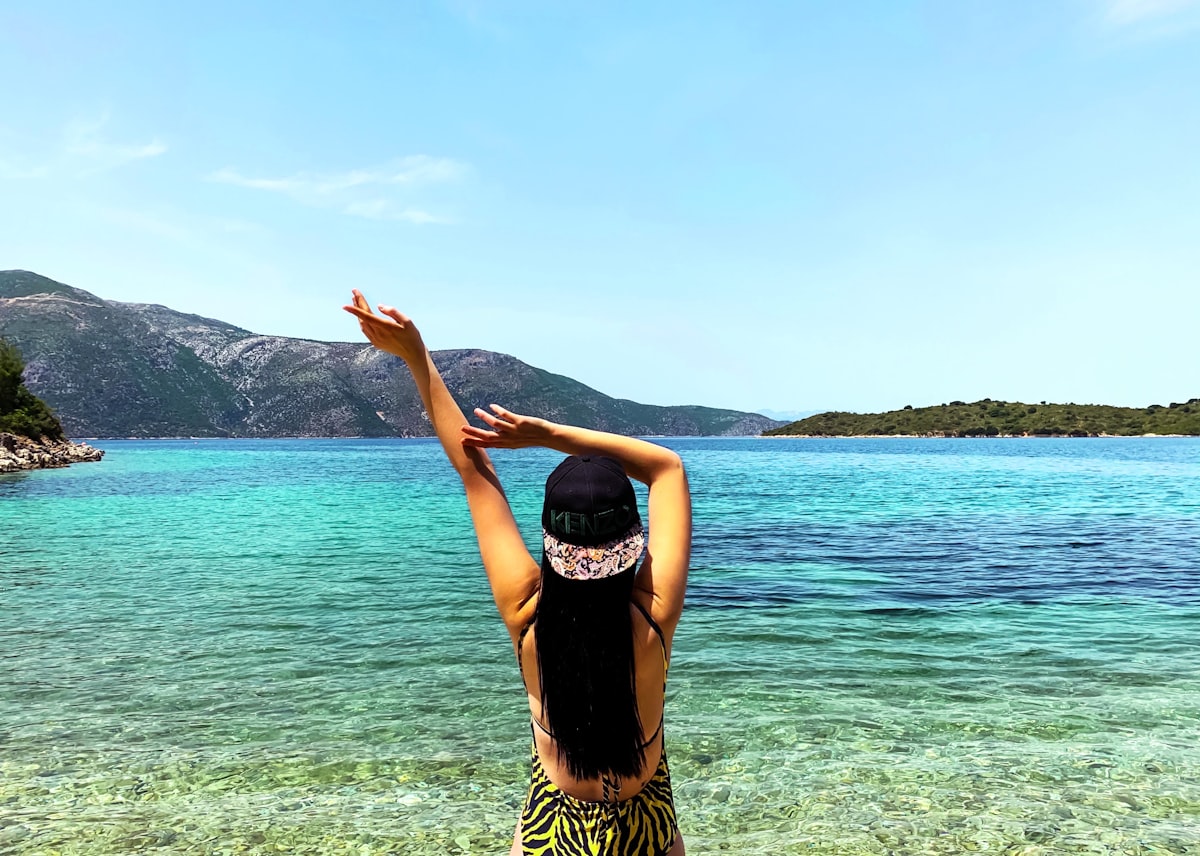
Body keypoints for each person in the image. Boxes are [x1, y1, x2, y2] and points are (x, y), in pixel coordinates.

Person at [344, 291, 691, 856]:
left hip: (555, 825)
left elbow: (471, 466)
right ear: (634, 542)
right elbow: (665, 467)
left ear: (551, 543)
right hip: (647, 823)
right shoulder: (652, 614)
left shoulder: (527, 614)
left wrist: (416, 357)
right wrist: (550, 433)